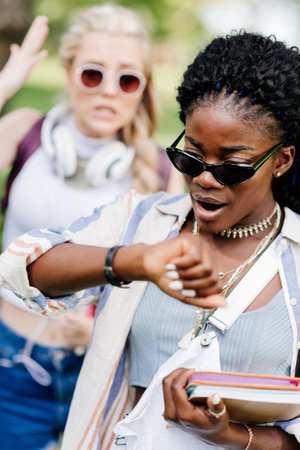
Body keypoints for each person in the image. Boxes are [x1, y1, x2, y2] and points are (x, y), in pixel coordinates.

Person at [1, 29, 300, 450]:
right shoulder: (141, 220)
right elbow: (22, 269)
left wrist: (230, 435)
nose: (204, 179)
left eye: (233, 166)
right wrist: (135, 261)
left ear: (282, 160)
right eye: (190, 156)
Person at [0, 5, 181, 450]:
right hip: (9, 365)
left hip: (100, 373)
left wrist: (105, 327)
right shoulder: (25, 132)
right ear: (67, 71)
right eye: (92, 74)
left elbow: (168, 287)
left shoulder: (161, 171)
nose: (109, 91)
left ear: (142, 89)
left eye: (128, 79)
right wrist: (5, 86)